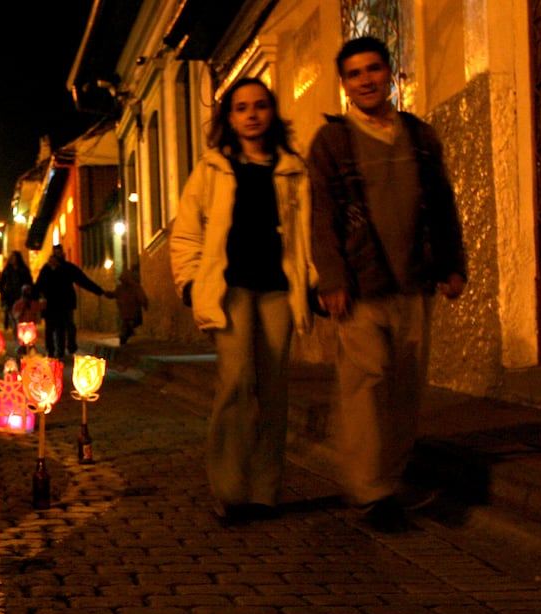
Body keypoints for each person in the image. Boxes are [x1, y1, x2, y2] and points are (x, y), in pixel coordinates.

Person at [307, 36, 467, 533]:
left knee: (404, 388)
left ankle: (389, 480)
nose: (366, 80)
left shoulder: (419, 137)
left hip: (414, 281)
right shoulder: (331, 143)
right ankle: (370, 491)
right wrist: (331, 277)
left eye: (374, 69)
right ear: (345, 84)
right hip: (361, 284)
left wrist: (452, 264)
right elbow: (322, 214)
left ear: (390, 74)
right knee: (365, 385)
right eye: (355, 74)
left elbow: (442, 204)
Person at [169, 76, 315, 526]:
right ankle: (230, 489)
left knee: (274, 390)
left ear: (272, 113)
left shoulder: (293, 169)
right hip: (230, 289)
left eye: (260, 106)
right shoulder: (211, 169)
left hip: (277, 288)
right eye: (241, 108)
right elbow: (188, 230)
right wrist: (191, 283)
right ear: (228, 119)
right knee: (235, 383)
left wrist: (312, 282)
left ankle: (265, 491)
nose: (251, 115)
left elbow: (306, 235)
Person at [33, 244, 113, 358]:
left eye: (59, 253)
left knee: (65, 326)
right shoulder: (46, 270)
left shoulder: (68, 268)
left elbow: (83, 280)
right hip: (50, 304)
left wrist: (100, 291)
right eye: (55, 253)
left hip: (65, 303)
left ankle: (64, 349)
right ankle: (51, 351)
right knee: (50, 328)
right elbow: (39, 286)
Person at [0, 250, 33, 330]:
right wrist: (4, 293)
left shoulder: (23, 270)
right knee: (12, 318)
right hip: (10, 298)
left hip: (21, 297)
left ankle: (21, 334)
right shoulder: (7, 270)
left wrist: (28, 293)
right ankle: (16, 332)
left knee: (21, 317)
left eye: (14, 257)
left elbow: (29, 282)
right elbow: (1, 283)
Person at [114, 267, 149, 345]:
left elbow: (141, 297)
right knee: (128, 324)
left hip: (130, 312)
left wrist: (144, 303)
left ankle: (125, 336)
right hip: (129, 312)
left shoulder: (133, 287)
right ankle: (125, 336)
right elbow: (141, 297)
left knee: (128, 324)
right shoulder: (124, 288)